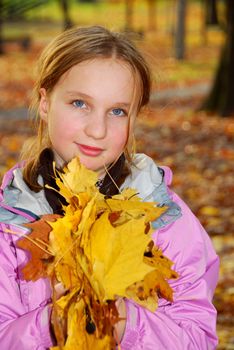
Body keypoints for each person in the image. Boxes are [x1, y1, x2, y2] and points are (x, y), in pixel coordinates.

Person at [0, 25, 219, 349]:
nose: (98, 129)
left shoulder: (165, 219)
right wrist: (49, 325)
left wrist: (127, 325)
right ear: (45, 102)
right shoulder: (10, 227)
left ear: (134, 119)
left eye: (117, 111)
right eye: (79, 103)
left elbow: (198, 338)